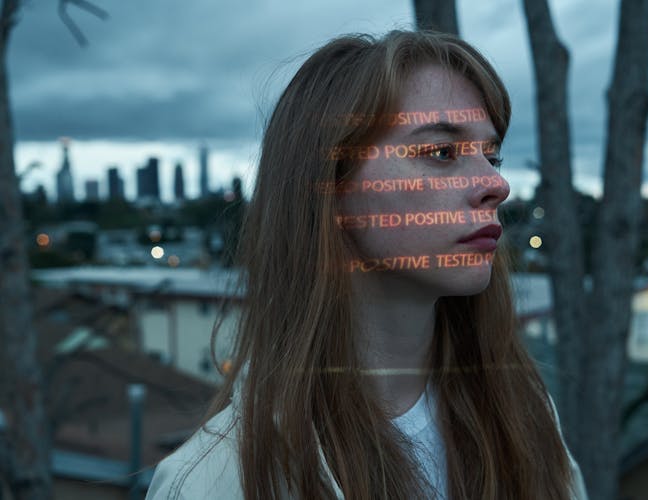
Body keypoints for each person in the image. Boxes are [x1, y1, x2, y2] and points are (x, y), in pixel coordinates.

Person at [146, 30, 588, 499]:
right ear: (331, 187)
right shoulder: (215, 483)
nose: (496, 184)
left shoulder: (525, 416)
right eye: (441, 152)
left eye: (491, 154)